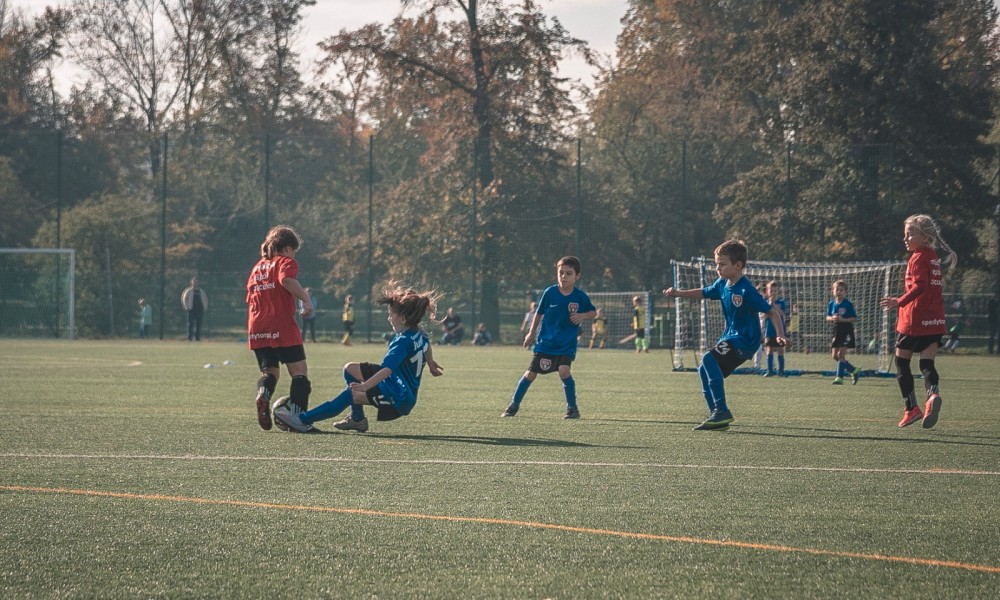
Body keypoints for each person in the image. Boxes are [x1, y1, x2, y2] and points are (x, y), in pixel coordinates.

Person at [274, 282, 443, 433]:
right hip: (397, 385)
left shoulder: (402, 342)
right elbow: (426, 344)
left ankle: (302, 420)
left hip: (397, 398)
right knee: (350, 369)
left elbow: (386, 370)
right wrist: (430, 362)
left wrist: (365, 386)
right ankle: (357, 419)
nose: (389, 318)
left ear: (403, 318)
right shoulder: (418, 333)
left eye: (391, 314)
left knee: (351, 393)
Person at [663, 240, 786, 431]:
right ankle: (716, 416)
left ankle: (721, 411)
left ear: (738, 265)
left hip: (745, 341)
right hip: (731, 338)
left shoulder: (746, 290)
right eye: (716, 264)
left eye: (722, 264)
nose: (717, 268)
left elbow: (772, 313)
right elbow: (705, 292)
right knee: (703, 368)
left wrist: (780, 335)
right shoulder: (722, 284)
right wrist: (679, 293)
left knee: (708, 358)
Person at [879, 214, 957, 429]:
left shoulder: (918, 258)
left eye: (910, 234)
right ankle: (932, 395)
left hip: (915, 320)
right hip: (935, 320)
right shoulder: (933, 258)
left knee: (901, 362)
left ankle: (911, 408)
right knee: (926, 363)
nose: (905, 239)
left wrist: (899, 301)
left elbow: (920, 286)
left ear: (924, 237)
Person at [501, 256, 596, 419]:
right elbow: (539, 313)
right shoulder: (550, 293)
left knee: (564, 371)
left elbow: (593, 312)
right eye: (561, 273)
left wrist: (582, 316)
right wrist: (531, 333)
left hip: (566, 345)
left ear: (577, 276)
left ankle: (572, 409)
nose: (564, 276)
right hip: (546, 343)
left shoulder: (580, 297)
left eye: (568, 273)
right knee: (530, 374)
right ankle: (513, 405)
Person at [246, 225, 315, 432]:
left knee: (270, 372)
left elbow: (250, 297)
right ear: (286, 248)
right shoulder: (285, 262)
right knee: (299, 374)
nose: (294, 255)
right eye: (294, 251)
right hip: (281, 325)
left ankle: (263, 394)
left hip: (257, 326)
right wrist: (306, 300)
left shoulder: (257, 268)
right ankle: (298, 420)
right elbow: (286, 279)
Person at [827, 280, 861, 385]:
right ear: (833, 291)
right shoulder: (831, 303)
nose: (839, 292)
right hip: (836, 330)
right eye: (837, 290)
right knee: (834, 356)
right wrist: (832, 318)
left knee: (840, 354)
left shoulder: (848, 304)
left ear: (845, 292)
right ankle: (854, 370)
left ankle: (839, 378)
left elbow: (854, 318)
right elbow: (827, 317)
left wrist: (842, 319)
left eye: (841, 290)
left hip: (846, 330)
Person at [763, 281, 788, 376]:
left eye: (775, 291)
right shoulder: (765, 303)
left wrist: (773, 304)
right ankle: (769, 371)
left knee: (780, 350)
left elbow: (781, 313)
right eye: (771, 291)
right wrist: (769, 304)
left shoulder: (781, 302)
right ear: (767, 291)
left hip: (779, 331)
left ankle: (781, 371)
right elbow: (765, 315)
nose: (773, 293)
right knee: (769, 349)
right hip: (769, 330)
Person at [181, 277, 208, 341]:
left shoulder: (201, 291)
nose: (195, 283)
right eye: (194, 282)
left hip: (200, 310)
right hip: (191, 310)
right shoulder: (188, 291)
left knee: (199, 324)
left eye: (196, 282)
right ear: (191, 283)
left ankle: (197, 338)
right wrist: (186, 307)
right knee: (190, 324)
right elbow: (184, 299)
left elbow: (205, 299)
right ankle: (189, 338)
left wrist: (205, 307)